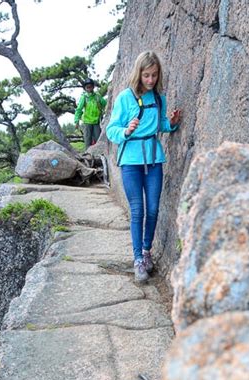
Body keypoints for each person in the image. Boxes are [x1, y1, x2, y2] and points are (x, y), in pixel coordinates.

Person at [106, 51, 181, 282]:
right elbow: (111, 130)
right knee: (137, 209)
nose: (150, 80)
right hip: (130, 160)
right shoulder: (124, 98)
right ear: (138, 74)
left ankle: (147, 251)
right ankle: (137, 258)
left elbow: (160, 125)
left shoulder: (159, 98)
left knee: (154, 208)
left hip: (154, 158)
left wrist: (173, 124)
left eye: (154, 75)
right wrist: (126, 131)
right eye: (146, 75)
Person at [74, 78, 107, 150]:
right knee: (87, 140)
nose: (89, 89)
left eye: (90, 87)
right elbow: (79, 109)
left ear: (93, 87)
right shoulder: (84, 97)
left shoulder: (97, 96)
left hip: (96, 122)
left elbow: (106, 104)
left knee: (98, 139)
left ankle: (99, 154)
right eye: (87, 87)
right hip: (87, 122)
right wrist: (76, 121)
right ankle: (88, 155)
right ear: (85, 88)